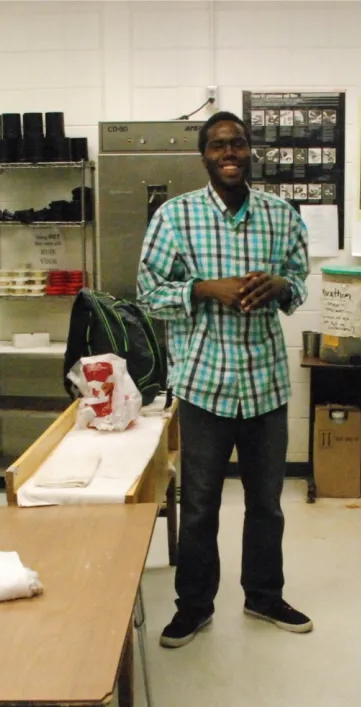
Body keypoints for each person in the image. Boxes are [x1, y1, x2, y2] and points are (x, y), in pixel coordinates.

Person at [136, 111, 312, 649]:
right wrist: (202, 290)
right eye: (218, 145)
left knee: (267, 505)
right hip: (204, 386)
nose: (229, 152)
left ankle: (263, 596)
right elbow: (147, 292)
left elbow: (301, 282)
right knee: (200, 506)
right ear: (205, 155)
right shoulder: (175, 217)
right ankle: (194, 607)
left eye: (237, 143)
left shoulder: (281, 217)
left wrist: (281, 285)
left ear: (250, 150)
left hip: (265, 386)